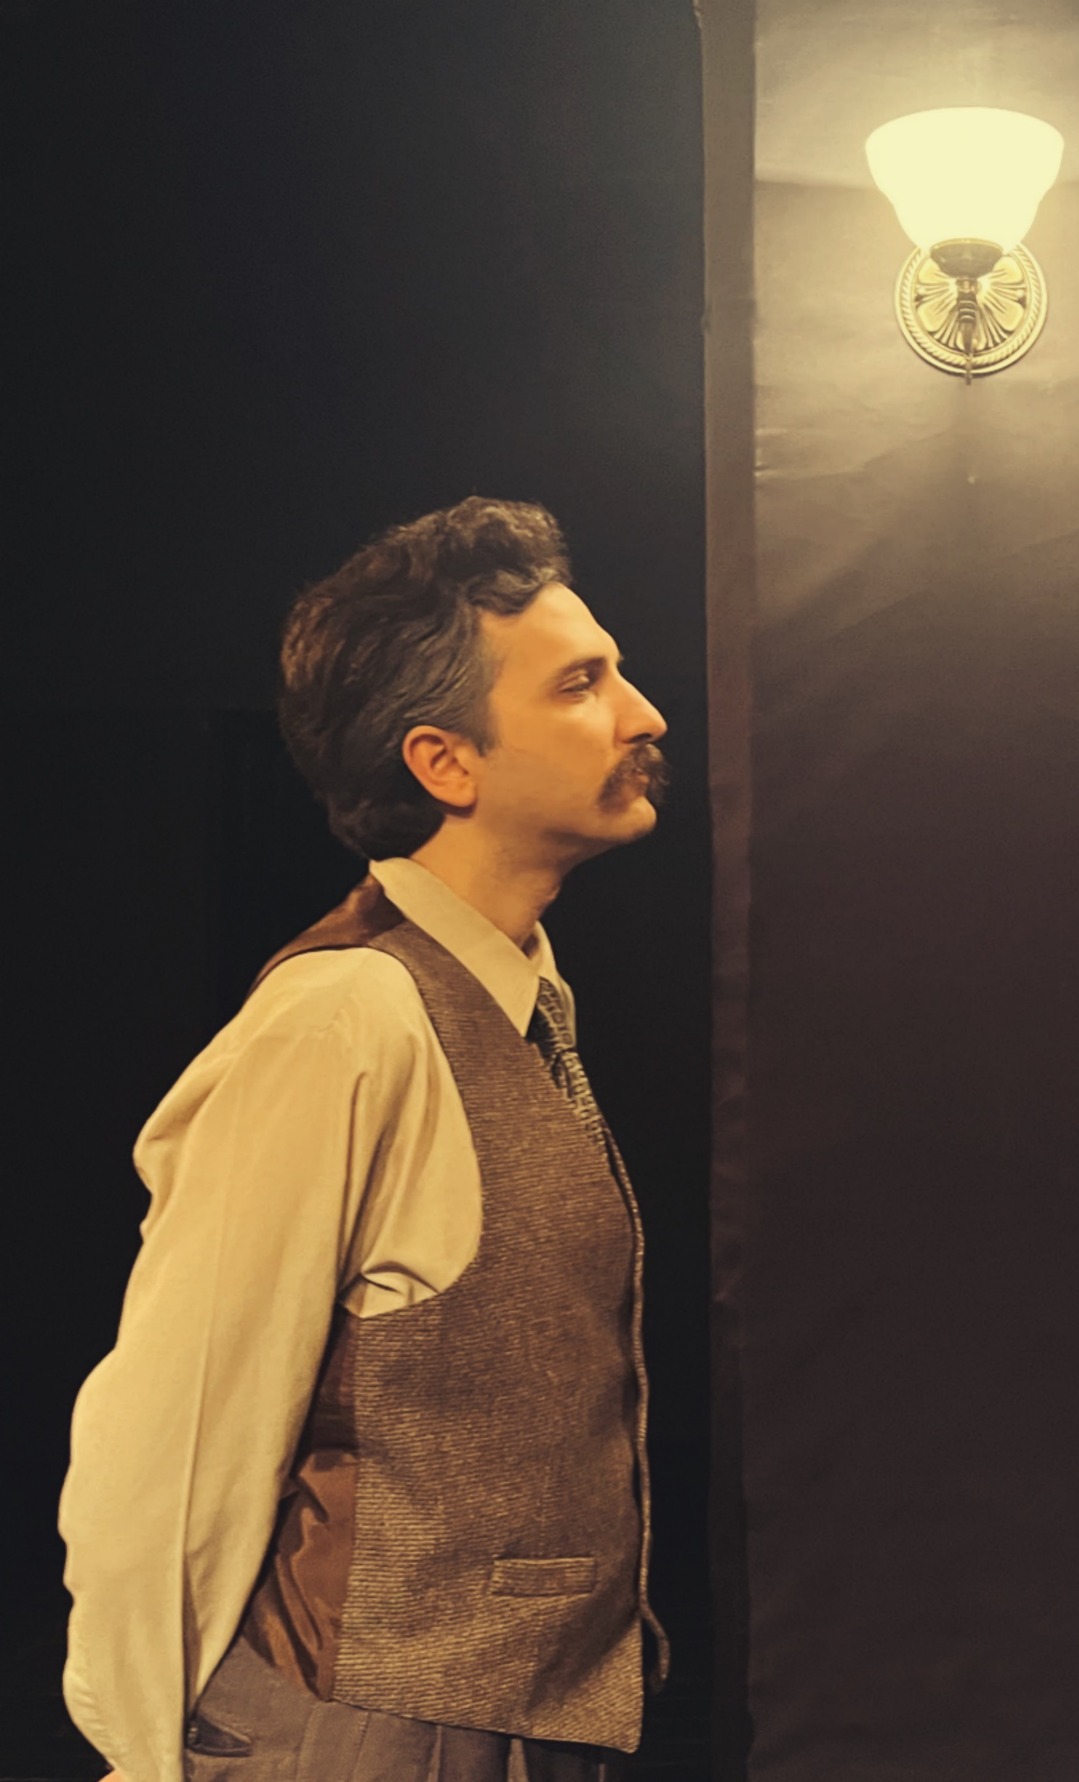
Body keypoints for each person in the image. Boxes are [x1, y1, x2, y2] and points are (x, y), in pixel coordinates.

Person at [60, 498, 672, 1782]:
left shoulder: (520, 1004)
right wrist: (144, 1755)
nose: (642, 715)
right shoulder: (345, 1019)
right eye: (581, 685)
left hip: (521, 1728)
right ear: (444, 763)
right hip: (359, 1737)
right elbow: (177, 1430)